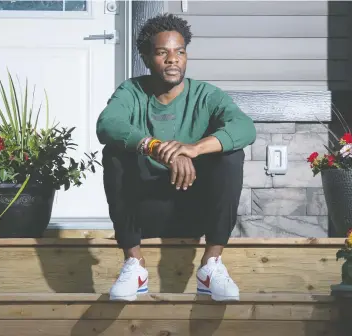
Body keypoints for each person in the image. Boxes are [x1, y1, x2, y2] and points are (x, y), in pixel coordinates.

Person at [96, 13, 256, 302]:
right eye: (162, 52)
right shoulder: (131, 91)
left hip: (196, 209)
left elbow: (244, 126)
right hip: (145, 212)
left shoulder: (206, 95)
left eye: (180, 52)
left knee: (231, 154)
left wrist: (193, 149)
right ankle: (135, 265)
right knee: (115, 153)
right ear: (146, 57)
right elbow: (107, 124)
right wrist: (155, 146)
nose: (173, 60)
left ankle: (211, 265)